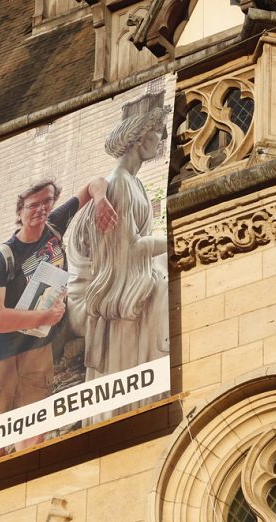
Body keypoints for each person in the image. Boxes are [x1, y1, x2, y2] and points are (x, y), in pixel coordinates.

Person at [0, 178, 117, 462]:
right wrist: (45, 315)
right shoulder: (2, 258)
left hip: (36, 347)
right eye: (33, 205)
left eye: (47, 201)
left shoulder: (53, 226)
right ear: (20, 211)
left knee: (34, 435)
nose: (41, 209)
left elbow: (94, 184)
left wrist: (100, 200)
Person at [65, 107, 171, 424]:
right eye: (155, 132)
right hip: (103, 292)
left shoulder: (133, 184)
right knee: (162, 287)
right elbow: (126, 251)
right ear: (140, 140)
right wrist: (173, 240)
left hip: (122, 276)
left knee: (163, 273)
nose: (159, 138)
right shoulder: (120, 184)